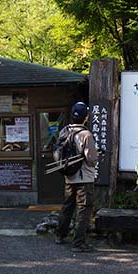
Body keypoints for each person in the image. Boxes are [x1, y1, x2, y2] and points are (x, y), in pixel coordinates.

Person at [54, 101, 98, 252]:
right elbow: (91, 159)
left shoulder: (64, 131)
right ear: (86, 117)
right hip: (84, 178)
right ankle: (78, 243)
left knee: (67, 206)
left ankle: (60, 235)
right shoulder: (86, 135)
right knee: (84, 209)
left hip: (69, 176)